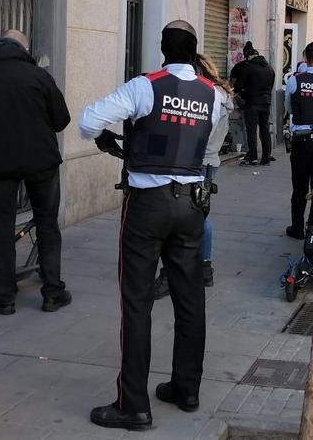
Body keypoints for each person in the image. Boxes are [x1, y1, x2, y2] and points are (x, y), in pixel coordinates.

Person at [80, 21, 222, 431]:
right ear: (195, 51)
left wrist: (112, 139)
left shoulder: (145, 86)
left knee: (137, 301)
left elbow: (89, 121)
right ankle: (186, 389)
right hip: (193, 204)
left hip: (148, 204)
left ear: (162, 48)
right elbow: (208, 142)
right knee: (190, 298)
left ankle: (134, 405)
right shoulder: (213, 95)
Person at [0, 30, 72, 315]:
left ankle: (3, 296)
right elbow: (62, 120)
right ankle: (52, 293)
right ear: (22, 48)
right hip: (42, 162)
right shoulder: (39, 77)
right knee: (47, 223)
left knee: (2, 224)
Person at [154, 51, 233, 298]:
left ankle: (174, 272)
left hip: (197, 163)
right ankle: (203, 268)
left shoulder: (208, 97)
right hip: (206, 162)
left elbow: (196, 133)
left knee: (181, 216)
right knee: (198, 215)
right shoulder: (218, 95)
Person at [284, 41, 313, 243]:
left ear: (305, 57)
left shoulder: (295, 79)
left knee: (299, 186)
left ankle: (297, 227)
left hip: (301, 138)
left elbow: (289, 107)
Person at [233, 42, 275, 166]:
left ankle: (253, 157)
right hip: (266, 103)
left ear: (249, 56)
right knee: (265, 129)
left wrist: (243, 93)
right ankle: (266, 157)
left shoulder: (249, 67)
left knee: (251, 131)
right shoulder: (269, 68)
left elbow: (239, 85)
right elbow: (271, 86)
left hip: (252, 103)